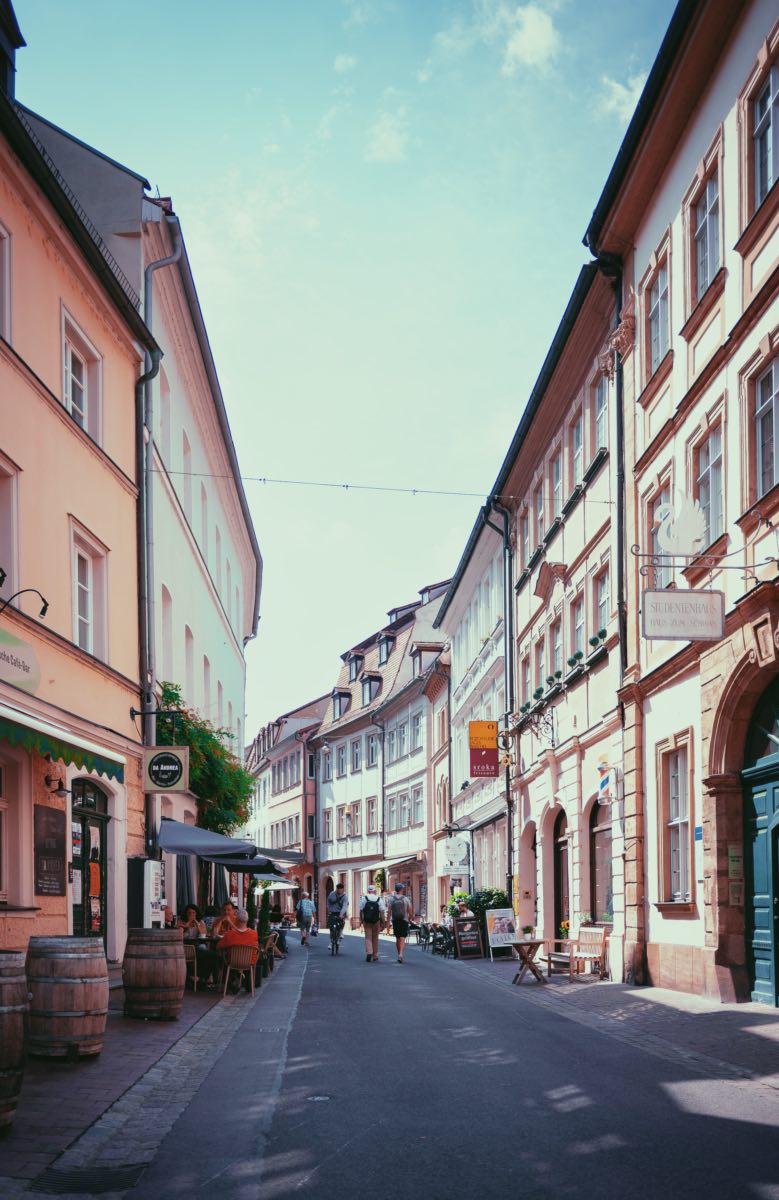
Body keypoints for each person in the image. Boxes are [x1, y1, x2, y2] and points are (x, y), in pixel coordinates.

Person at [217, 908, 260, 992]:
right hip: (249, 962)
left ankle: (229, 982)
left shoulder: (230, 934)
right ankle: (248, 984)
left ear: (236, 919)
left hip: (233, 962)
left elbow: (219, 946)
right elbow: (256, 947)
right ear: (247, 920)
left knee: (222, 957)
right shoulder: (254, 933)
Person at [359, 884, 386, 963]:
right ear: (375, 891)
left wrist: (361, 920)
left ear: (368, 891)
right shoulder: (379, 899)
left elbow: (360, 910)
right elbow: (382, 912)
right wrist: (383, 922)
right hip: (376, 921)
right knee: (375, 938)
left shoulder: (364, 898)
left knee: (368, 937)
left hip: (367, 921)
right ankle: (375, 955)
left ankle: (369, 952)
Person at [389, 882, 413, 963]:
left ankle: (399, 953)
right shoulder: (405, 899)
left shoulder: (391, 899)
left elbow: (389, 911)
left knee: (397, 937)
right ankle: (401, 954)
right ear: (401, 889)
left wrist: (388, 922)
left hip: (395, 920)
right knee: (403, 937)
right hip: (404, 920)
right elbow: (410, 910)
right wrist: (410, 918)